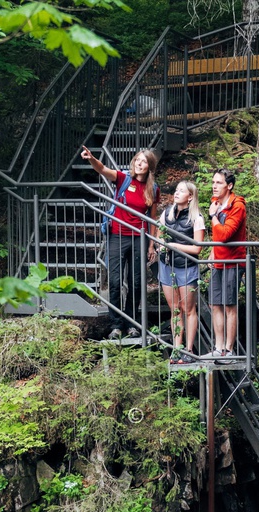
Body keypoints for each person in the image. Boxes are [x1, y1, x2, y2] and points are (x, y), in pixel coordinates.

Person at [80, 145, 159, 339]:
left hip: (139, 238)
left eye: (144, 162)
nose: (140, 164)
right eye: (138, 160)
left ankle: (131, 323)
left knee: (136, 283)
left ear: (149, 167)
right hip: (117, 235)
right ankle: (116, 325)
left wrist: (151, 245)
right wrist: (91, 158)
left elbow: (153, 219)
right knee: (114, 281)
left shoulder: (153, 189)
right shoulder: (124, 179)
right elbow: (103, 170)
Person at [156, 181, 205, 364]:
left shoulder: (196, 217)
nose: (176, 193)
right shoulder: (167, 212)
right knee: (175, 309)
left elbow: (197, 248)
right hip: (167, 265)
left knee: (188, 309)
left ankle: (189, 350)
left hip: (186, 266)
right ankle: (177, 349)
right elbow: (159, 235)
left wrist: (175, 246)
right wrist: (160, 247)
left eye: (181, 191)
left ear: (190, 197)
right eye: (176, 190)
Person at [204, 168, 247, 364]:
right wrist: (212, 251)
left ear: (229, 186)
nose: (214, 186)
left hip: (232, 261)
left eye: (219, 183)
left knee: (230, 305)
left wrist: (213, 216)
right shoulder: (215, 203)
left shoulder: (237, 206)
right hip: (218, 261)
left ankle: (229, 350)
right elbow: (216, 239)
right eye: (213, 182)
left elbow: (224, 235)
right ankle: (218, 347)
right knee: (215, 304)